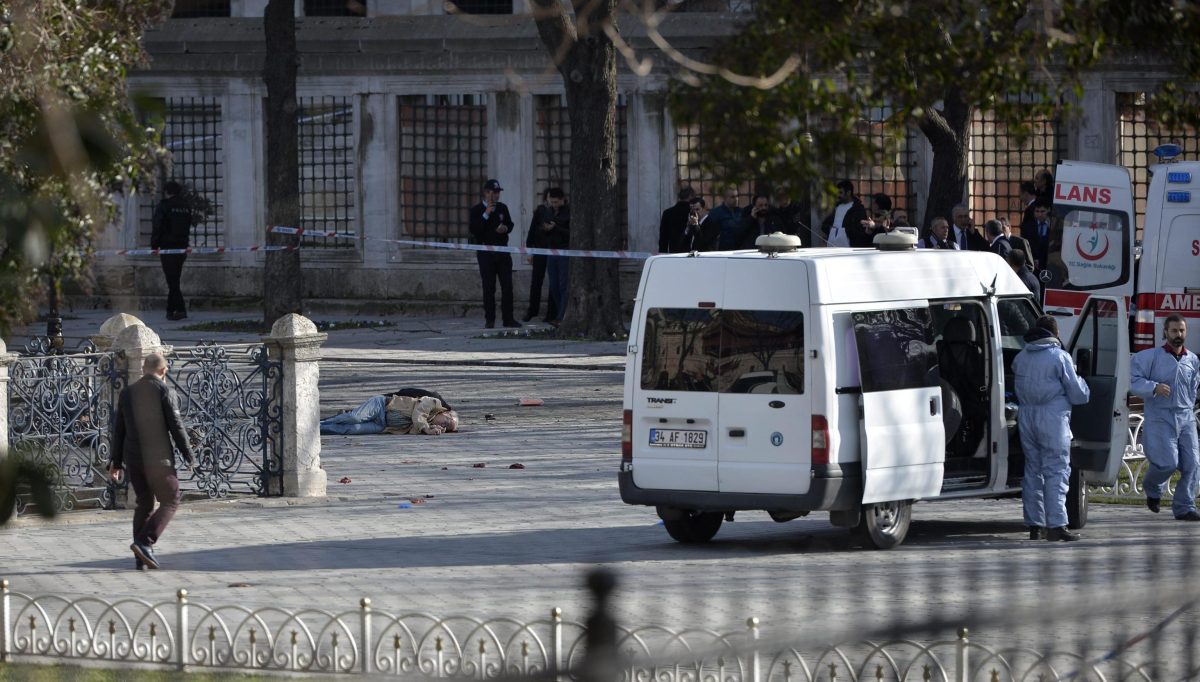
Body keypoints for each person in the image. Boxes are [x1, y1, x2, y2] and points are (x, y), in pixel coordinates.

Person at [108, 352, 195, 570]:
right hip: (159, 460)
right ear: (164, 371)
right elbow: (176, 425)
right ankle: (145, 543)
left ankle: (141, 557)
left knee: (144, 503)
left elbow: (119, 429)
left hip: (134, 459)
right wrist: (188, 454)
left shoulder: (127, 393)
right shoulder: (165, 391)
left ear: (143, 370)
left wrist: (116, 462)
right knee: (171, 499)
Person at [1012, 315, 1090, 541]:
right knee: (1057, 469)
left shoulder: (1021, 357)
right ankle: (1056, 525)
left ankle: (1035, 525)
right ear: (1056, 334)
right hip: (1053, 418)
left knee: (1032, 471)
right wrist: (1084, 382)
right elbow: (1078, 394)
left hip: (1026, 416)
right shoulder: (1060, 357)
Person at [1131, 315, 1200, 521]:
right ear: (1165, 332)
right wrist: (1153, 387)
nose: (1178, 335)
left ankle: (1185, 507)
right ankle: (1153, 489)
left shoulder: (1192, 359)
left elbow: (1194, 386)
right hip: (1160, 416)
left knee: (1193, 463)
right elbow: (1133, 379)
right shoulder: (1149, 357)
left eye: (1181, 330)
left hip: (1185, 416)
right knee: (1167, 463)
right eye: (1174, 331)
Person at [469, 179, 520, 329]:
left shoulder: (502, 208)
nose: (496, 196)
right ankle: (490, 319)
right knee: (489, 287)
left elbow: (510, 224)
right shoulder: (477, 210)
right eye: (493, 192)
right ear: (486, 193)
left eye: (498, 193)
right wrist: (486, 214)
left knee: (507, 286)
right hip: (486, 254)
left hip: (502, 253)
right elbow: (475, 230)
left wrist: (505, 228)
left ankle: (508, 319)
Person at [321, 387, 459, 436]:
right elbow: (419, 412)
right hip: (381, 405)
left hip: (382, 426)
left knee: (351, 429)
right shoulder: (434, 402)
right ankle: (318, 424)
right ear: (445, 413)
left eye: (447, 428)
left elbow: (412, 429)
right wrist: (426, 428)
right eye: (447, 421)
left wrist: (428, 429)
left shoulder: (423, 427)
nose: (444, 426)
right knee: (354, 418)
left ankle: (318, 430)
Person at [151, 180, 194, 321]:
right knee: (174, 278)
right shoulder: (186, 206)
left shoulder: (164, 206)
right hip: (181, 247)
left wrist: (154, 245)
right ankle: (170, 310)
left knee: (172, 280)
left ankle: (181, 309)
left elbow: (158, 225)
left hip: (167, 247)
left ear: (167, 191)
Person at [536, 188, 570, 324]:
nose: (554, 204)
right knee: (554, 285)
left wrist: (556, 227)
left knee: (563, 284)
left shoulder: (568, 212)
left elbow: (570, 232)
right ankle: (560, 312)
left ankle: (561, 316)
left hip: (564, 251)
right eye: (552, 202)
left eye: (556, 202)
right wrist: (545, 228)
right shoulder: (548, 211)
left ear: (562, 200)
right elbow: (541, 228)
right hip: (551, 251)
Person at [523, 188, 556, 323]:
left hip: (554, 251)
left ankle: (551, 314)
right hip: (540, 251)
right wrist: (530, 251)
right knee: (536, 282)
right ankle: (532, 311)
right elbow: (531, 233)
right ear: (545, 199)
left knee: (553, 283)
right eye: (549, 198)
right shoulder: (539, 212)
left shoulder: (559, 213)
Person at [820, 180, 867, 247]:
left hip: (849, 247)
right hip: (832, 245)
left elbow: (860, 229)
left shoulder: (858, 208)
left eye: (840, 192)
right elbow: (825, 225)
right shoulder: (837, 207)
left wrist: (845, 232)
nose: (838, 195)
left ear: (848, 192)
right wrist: (831, 230)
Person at [658, 186, 696, 253]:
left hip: (673, 252)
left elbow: (663, 238)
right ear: (691, 196)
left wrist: (662, 253)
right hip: (691, 253)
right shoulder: (693, 213)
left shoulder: (667, 213)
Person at [1024, 201, 1053, 271]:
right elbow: (1026, 245)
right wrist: (1033, 259)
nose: (1040, 214)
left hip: (1050, 264)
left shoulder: (1054, 225)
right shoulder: (1028, 226)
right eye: (1037, 211)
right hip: (1034, 265)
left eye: (1043, 211)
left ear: (1048, 210)